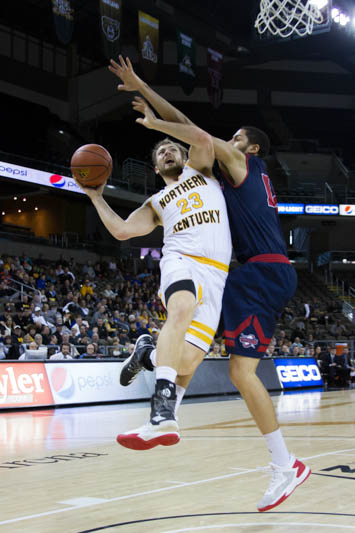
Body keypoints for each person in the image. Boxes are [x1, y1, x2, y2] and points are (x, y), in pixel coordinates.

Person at [108, 55, 310, 512]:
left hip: (261, 271)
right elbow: (189, 127)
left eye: (235, 137)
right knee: (202, 347)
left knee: (232, 365)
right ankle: (166, 411)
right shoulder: (216, 179)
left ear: (250, 148)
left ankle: (286, 465)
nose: (228, 142)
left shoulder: (242, 163)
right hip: (248, 274)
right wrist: (154, 104)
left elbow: (194, 132)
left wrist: (153, 113)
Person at [75, 96, 231, 451]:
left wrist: (155, 123)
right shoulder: (157, 202)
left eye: (172, 148)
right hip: (182, 260)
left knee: (187, 361)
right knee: (181, 309)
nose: (167, 152)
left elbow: (204, 140)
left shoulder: (201, 171)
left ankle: (146, 354)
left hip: (217, 274)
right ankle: (162, 411)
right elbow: (122, 231)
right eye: (160, 152)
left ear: (182, 155)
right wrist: (96, 196)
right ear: (156, 167)